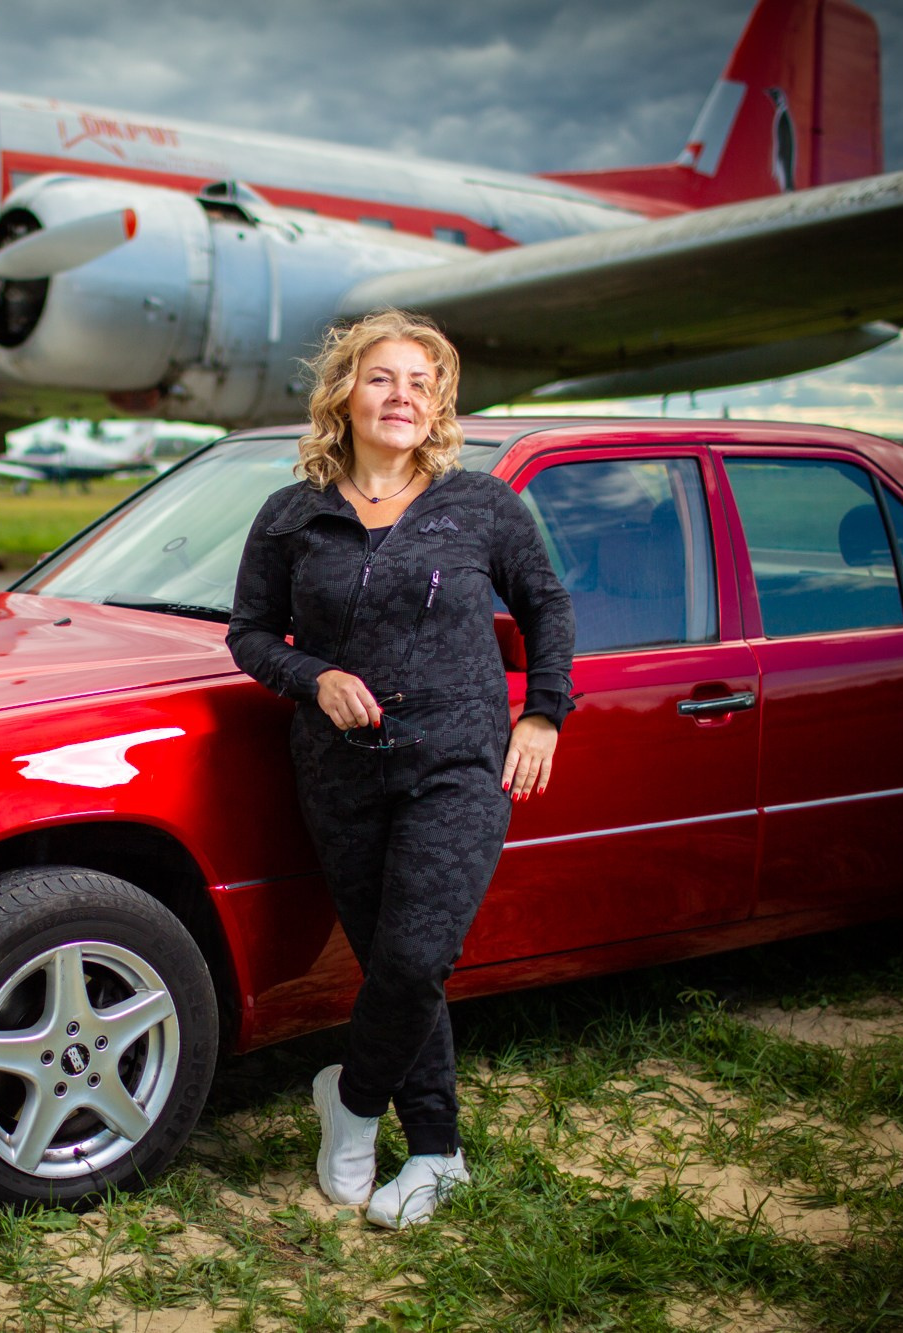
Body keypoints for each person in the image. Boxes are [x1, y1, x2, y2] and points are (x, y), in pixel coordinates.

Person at [226, 309, 575, 1228]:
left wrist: (543, 709)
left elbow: (546, 603)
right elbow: (251, 634)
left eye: (422, 383)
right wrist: (316, 676)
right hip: (339, 774)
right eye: (384, 377)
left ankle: (350, 1100)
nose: (404, 396)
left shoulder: (479, 504)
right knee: (393, 968)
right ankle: (437, 1150)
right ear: (345, 392)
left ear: (440, 405)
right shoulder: (293, 514)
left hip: (458, 763)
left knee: (420, 955)